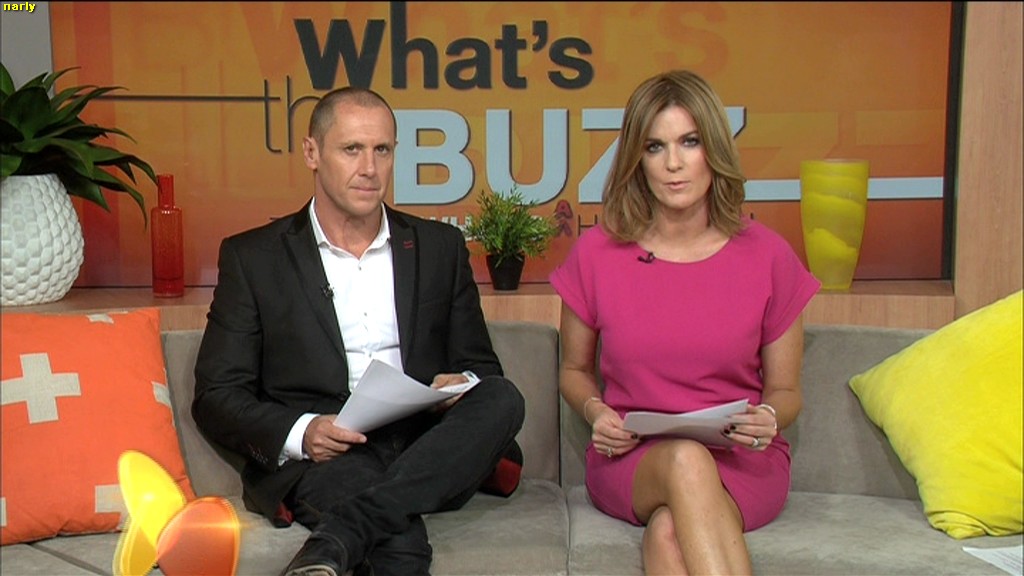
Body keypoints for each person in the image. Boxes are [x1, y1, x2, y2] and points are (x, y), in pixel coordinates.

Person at [192, 86, 525, 576]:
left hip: (427, 443)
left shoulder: (439, 247)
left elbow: (481, 368)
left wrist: (460, 385)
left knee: (502, 396)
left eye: (382, 150)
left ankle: (344, 532)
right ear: (312, 153)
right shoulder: (255, 258)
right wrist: (305, 432)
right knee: (399, 545)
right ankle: (374, 514)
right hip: (331, 456)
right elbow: (217, 395)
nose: (370, 168)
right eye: (352, 149)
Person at [550, 69, 820, 575]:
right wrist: (596, 412)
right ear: (637, 159)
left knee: (668, 533)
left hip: (742, 461)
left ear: (712, 148)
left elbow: (786, 392)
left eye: (689, 142)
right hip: (633, 459)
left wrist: (768, 418)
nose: (673, 163)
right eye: (655, 147)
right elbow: (574, 371)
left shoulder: (768, 256)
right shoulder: (597, 254)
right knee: (685, 459)